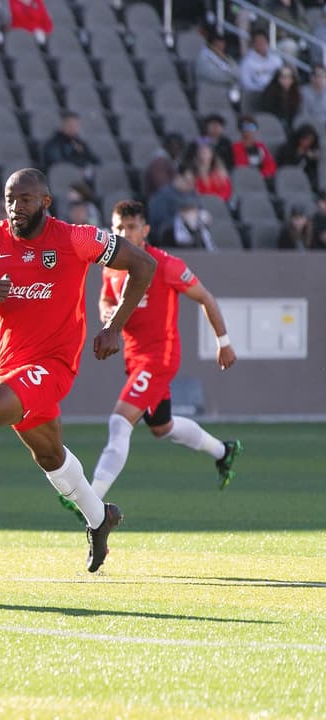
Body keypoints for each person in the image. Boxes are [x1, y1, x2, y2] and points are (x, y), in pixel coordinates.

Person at [0, 168, 157, 572]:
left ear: (45, 202)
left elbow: (143, 264)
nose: (15, 207)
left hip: (52, 366)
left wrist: (114, 327)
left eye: (25, 199)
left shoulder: (76, 238)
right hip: (12, 367)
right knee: (51, 458)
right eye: (9, 199)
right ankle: (100, 518)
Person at [67, 200, 242, 515]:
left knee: (119, 422)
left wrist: (224, 342)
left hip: (159, 358)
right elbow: (106, 298)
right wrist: (107, 314)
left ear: (144, 230)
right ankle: (223, 451)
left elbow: (205, 297)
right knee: (162, 427)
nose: (123, 233)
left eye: (131, 227)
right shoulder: (112, 266)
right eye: (118, 228)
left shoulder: (165, 264)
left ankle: (88, 499)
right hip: (134, 359)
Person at [239, 29, 282, 108]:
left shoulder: (276, 59)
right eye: (257, 41)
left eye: (262, 41)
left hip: (274, 93)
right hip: (256, 94)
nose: (260, 43)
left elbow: (281, 77)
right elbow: (246, 84)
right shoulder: (246, 62)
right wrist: (262, 89)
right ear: (252, 44)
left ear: (267, 42)